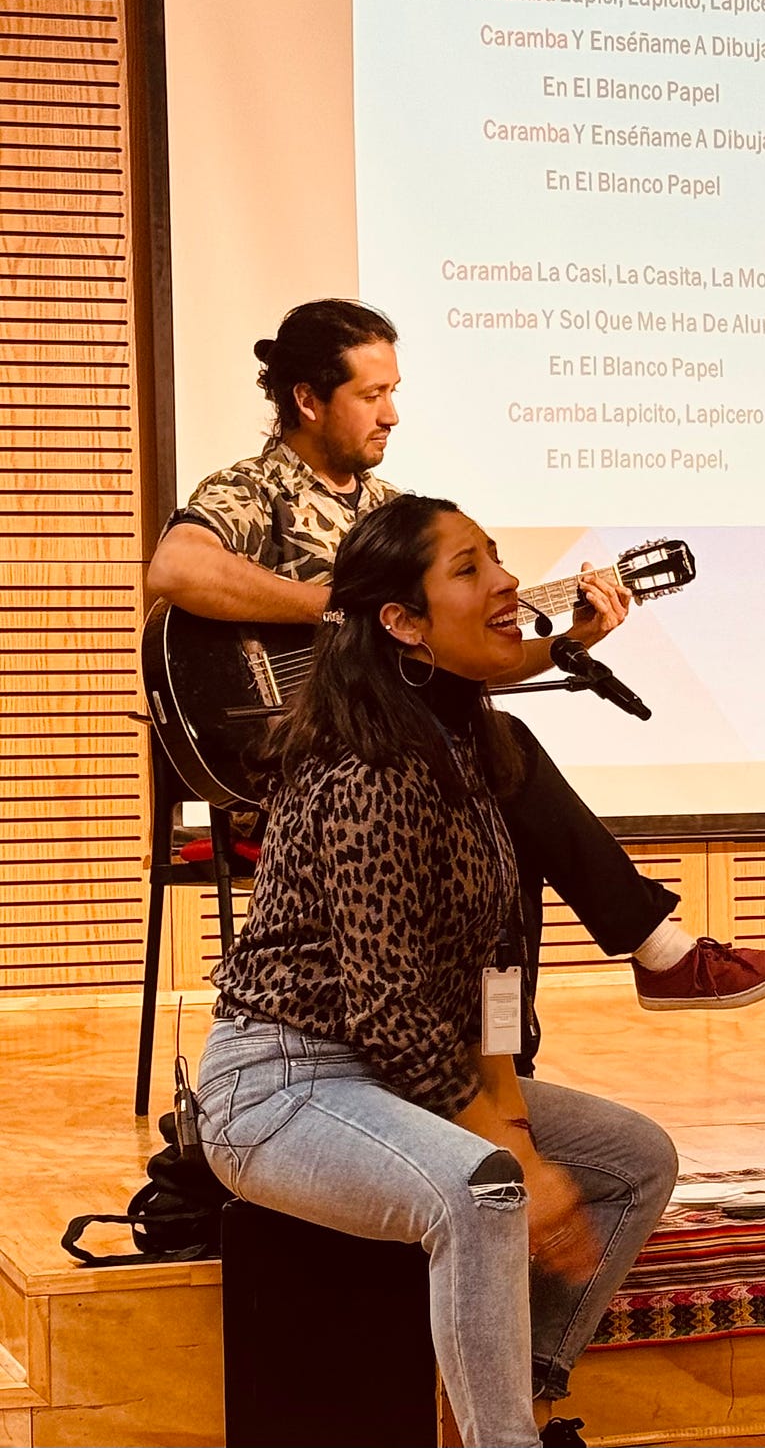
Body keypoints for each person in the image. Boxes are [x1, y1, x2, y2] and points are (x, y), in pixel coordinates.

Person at [145, 299, 765, 1051]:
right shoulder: (257, 490)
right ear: (306, 399)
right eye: (371, 394)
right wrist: (332, 609)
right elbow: (177, 566)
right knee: (498, 742)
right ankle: (653, 953)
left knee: (497, 800)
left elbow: (461, 663)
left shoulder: (397, 517)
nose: (392, 413)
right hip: (299, 767)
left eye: (395, 391)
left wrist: (569, 640)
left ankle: (504, 1059)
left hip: (404, 757)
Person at [196, 493, 678, 1448]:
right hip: (284, 1085)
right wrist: (522, 1159)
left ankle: (514, 1402)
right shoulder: (367, 767)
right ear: (403, 623)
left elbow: (495, 968)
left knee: (636, 1162)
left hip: (406, 1072)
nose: (506, 582)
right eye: (470, 569)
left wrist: (508, 1104)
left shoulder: (473, 744)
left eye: (496, 556)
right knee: (485, 1187)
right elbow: (387, 1012)